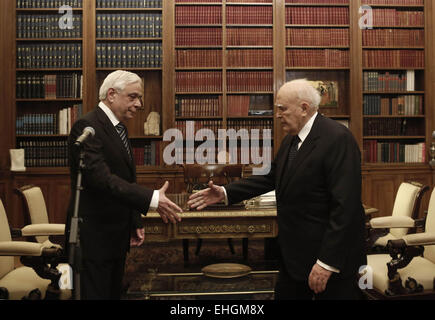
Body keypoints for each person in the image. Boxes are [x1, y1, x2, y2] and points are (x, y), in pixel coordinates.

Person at [188, 79, 367, 300]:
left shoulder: (337, 138)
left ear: (304, 108)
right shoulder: (291, 141)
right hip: (295, 256)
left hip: (327, 258)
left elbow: (346, 207)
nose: (278, 115)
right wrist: (225, 193)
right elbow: (270, 178)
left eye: (282, 109)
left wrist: (326, 263)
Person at [65, 70, 183, 300]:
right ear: (111, 94)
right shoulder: (87, 126)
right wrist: (152, 198)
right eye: (133, 97)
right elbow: (102, 179)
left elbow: (126, 178)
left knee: (112, 292)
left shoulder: (118, 127)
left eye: (139, 98)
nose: (139, 104)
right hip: (94, 236)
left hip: (115, 232)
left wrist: (133, 219)